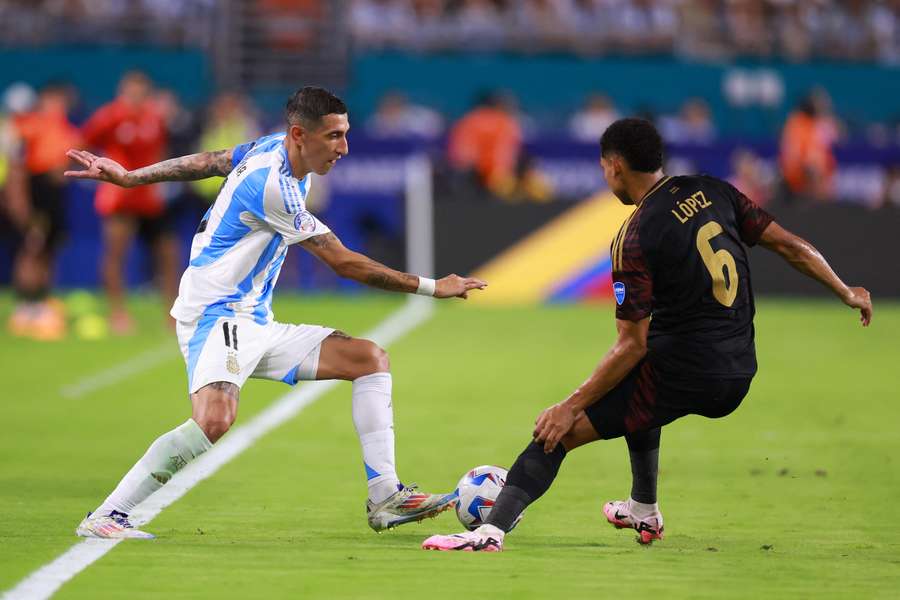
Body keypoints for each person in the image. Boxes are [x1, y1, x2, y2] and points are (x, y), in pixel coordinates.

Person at [422, 117, 872, 552]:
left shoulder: (634, 236)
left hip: (688, 369)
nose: (605, 177)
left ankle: (489, 533)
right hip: (740, 368)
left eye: (604, 168)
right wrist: (844, 288)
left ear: (615, 165)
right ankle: (643, 508)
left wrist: (568, 406)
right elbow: (791, 245)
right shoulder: (715, 190)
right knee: (641, 388)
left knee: (556, 433)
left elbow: (629, 344)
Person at [64, 86, 487, 539]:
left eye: (345, 134)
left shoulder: (271, 146)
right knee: (214, 420)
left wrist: (132, 176)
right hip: (217, 314)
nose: (344, 147)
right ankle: (108, 515)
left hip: (254, 319)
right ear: (300, 135)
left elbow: (209, 160)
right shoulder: (272, 186)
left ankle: (385, 495)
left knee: (369, 359)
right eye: (334, 137)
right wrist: (431, 286)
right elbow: (344, 263)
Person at [81, 71, 176, 333]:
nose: (135, 96)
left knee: (168, 255)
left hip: (149, 197)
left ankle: (173, 315)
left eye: (140, 92)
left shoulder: (156, 117)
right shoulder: (109, 116)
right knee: (116, 255)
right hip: (119, 198)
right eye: (130, 91)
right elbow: (83, 144)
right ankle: (118, 315)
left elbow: (161, 151)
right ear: (122, 92)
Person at [4, 82, 81, 340]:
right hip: (36, 194)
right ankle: (25, 307)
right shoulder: (29, 127)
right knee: (31, 249)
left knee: (48, 250)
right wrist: (21, 205)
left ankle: (42, 304)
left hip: (55, 197)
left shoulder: (66, 130)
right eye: (56, 99)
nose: (61, 105)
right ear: (45, 99)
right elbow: (18, 169)